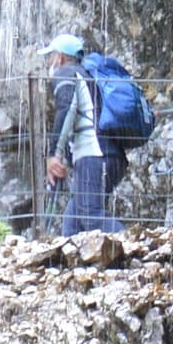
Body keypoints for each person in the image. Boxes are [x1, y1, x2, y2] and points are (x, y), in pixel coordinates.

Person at [41, 35, 126, 236]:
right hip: (110, 155)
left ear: (59, 58)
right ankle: (69, 264)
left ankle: (132, 244)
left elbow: (67, 110)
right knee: (74, 219)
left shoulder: (66, 73)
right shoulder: (89, 76)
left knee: (89, 214)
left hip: (94, 155)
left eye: (50, 56)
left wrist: (55, 154)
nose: (48, 62)